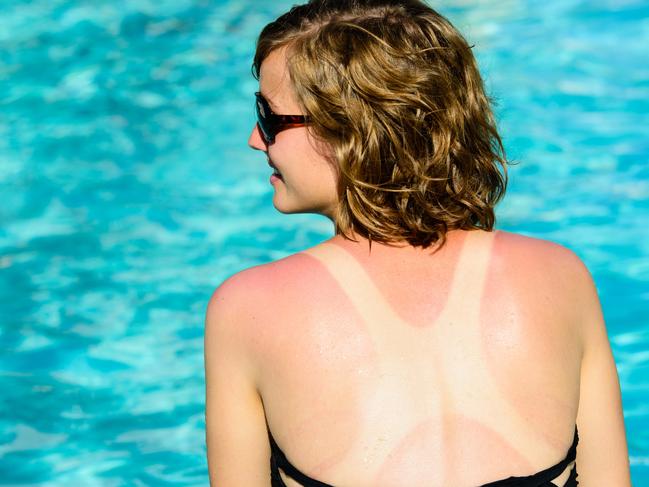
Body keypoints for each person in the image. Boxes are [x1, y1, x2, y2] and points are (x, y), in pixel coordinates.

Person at [204, 1, 631, 485]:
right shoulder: (560, 277)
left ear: (347, 129)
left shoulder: (248, 308)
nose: (255, 141)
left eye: (268, 117)